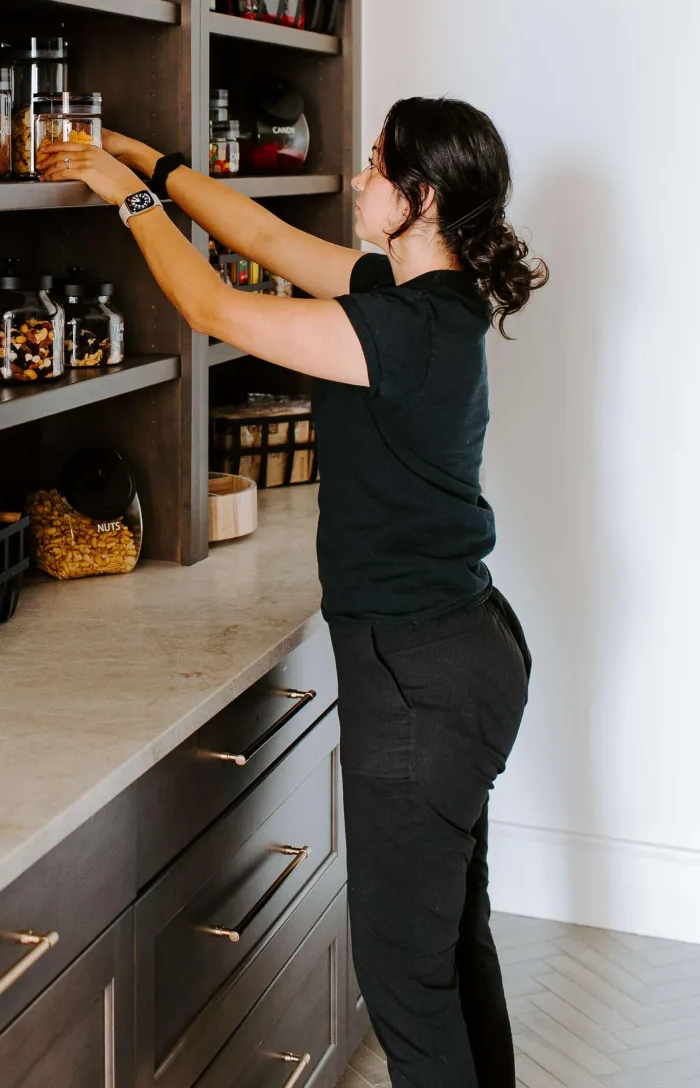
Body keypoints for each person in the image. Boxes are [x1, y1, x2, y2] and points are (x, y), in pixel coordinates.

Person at [38, 97, 548, 1088]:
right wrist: (154, 158)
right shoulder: (417, 301)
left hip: (422, 675)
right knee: (447, 945)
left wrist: (126, 197)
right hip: (462, 653)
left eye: (372, 168)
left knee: (404, 976)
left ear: (419, 198)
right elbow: (261, 238)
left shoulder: (398, 330)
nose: (356, 183)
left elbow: (216, 307)